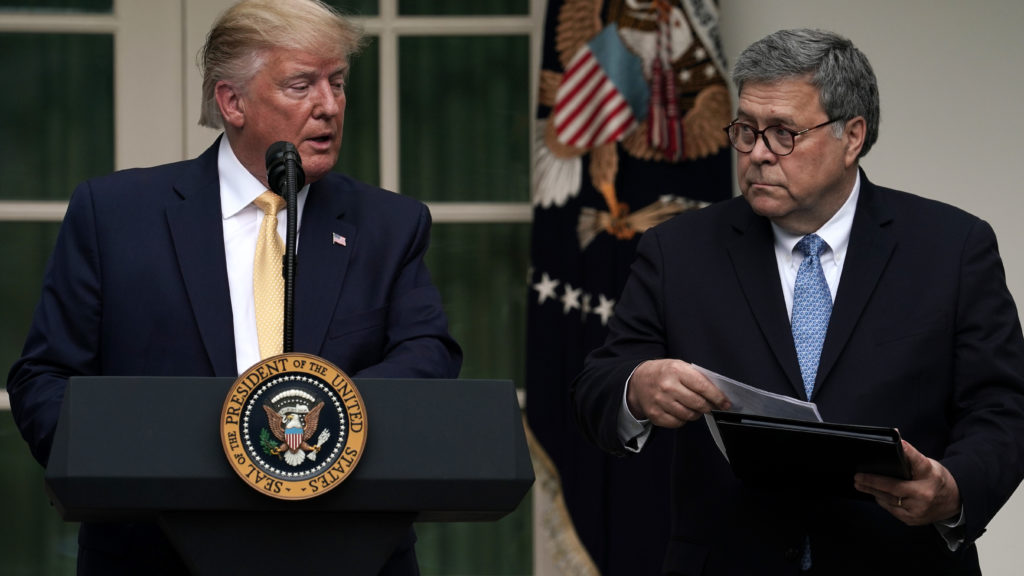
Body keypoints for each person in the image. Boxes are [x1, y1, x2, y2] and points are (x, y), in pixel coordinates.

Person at [7, 1, 461, 574]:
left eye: (337, 82)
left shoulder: (389, 226)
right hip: (154, 553)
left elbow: (429, 356)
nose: (329, 106)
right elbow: (44, 378)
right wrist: (121, 469)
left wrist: (325, 420)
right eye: (302, 85)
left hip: (348, 551)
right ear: (232, 102)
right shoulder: (116, 216)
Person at [572, 28, 1024, 575]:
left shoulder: (952, 248)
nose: (758, 154)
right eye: (746, 130)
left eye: (783, 133)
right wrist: (636, 388)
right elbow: (599, 384)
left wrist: (953, 490)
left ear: (851, 136)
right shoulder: (677, 250)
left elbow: (1003, 411)